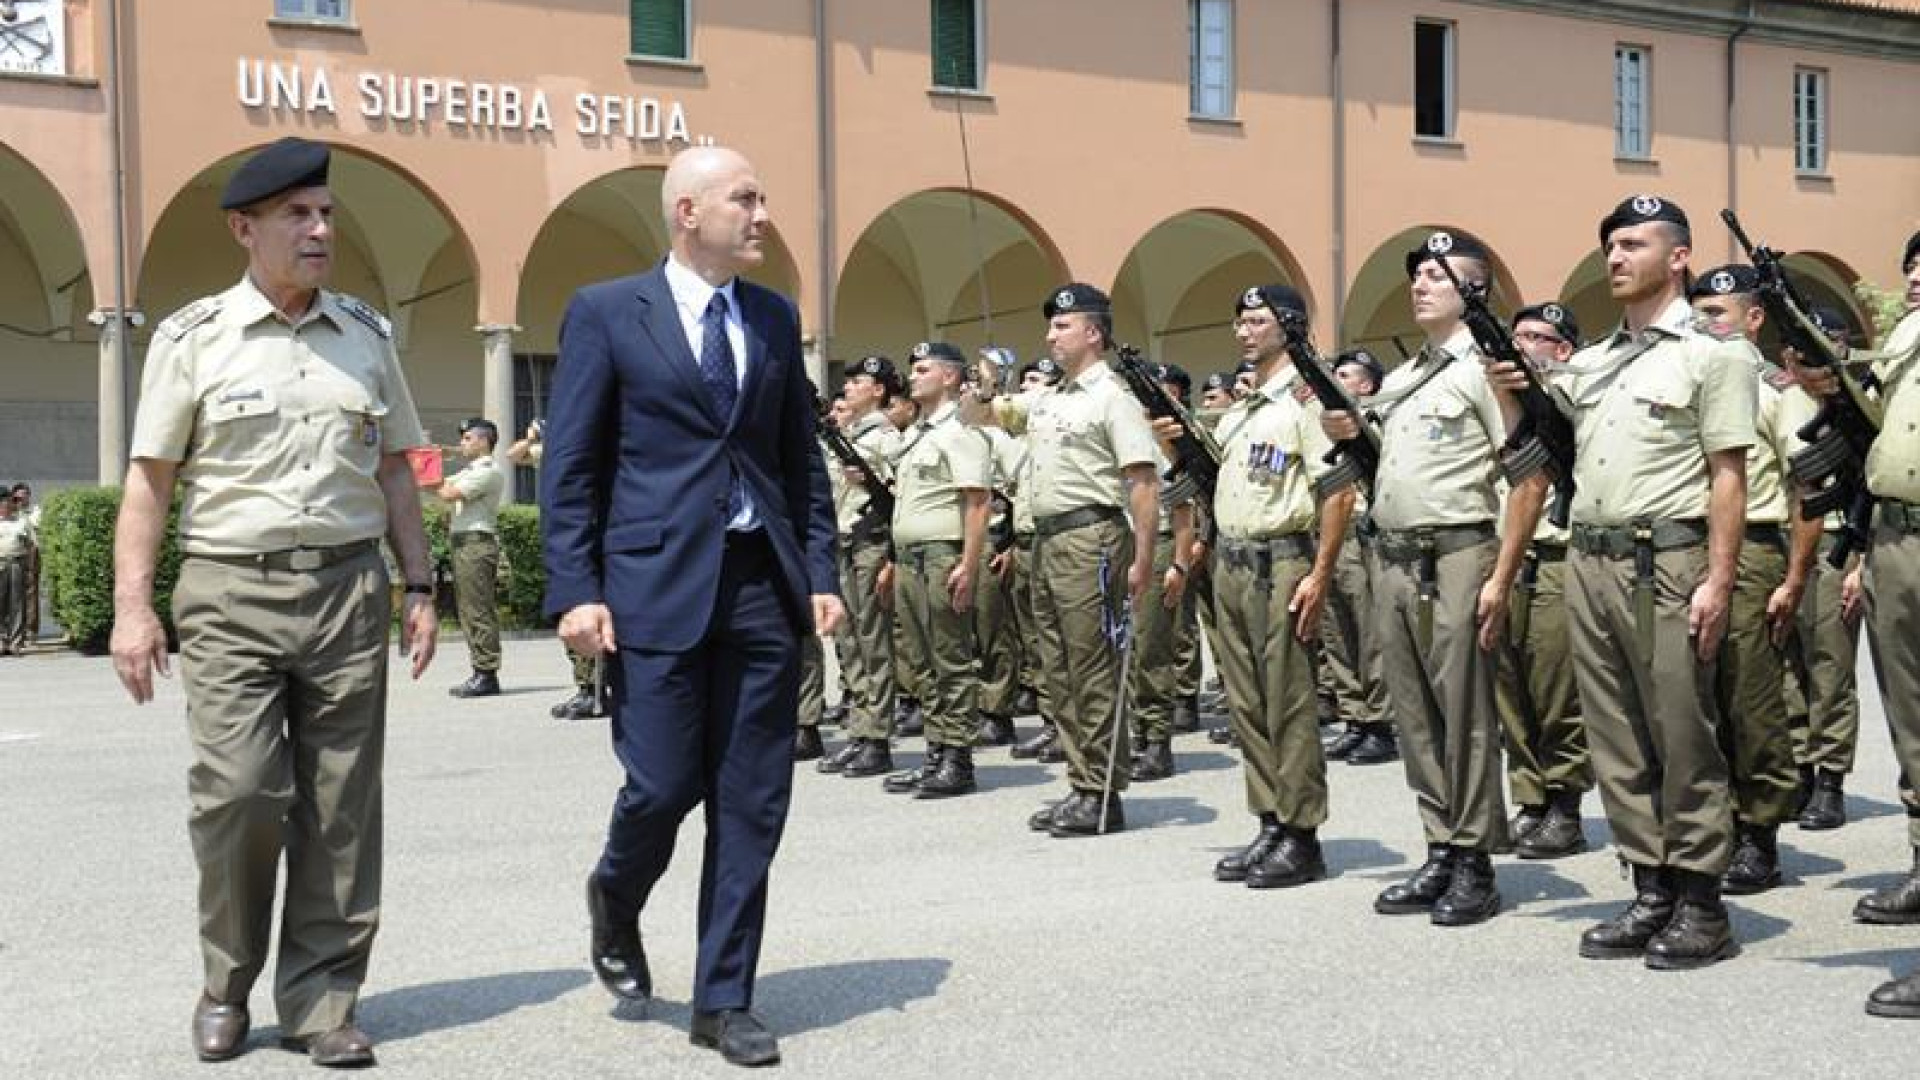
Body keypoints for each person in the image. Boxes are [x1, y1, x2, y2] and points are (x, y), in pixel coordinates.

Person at [107, 136, 438, 1067]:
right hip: (229, 590)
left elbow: (396, 469)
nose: (320, 228)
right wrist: (135, 609)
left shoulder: (366, 338)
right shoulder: (191, 338)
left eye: (326, 212)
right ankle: (226, 980)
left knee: (341, 806)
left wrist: (419, 584)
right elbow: (149, 484)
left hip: (345, 589)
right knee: (240, 794)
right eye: (297, 213)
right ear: (244, 227)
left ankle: (323, 1003)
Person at [541, 145, 841, 1067]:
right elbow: (574, 465)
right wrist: (577, 589)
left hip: (759, 584)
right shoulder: (605, 312)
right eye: (744, 198)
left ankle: (725, 999)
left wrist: (819, 569)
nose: (761, 214)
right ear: (687, 211)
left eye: (762, 197)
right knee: (664, 785)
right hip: (652, 588)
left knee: (752, 801)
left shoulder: (772, 316)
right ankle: (615, 897)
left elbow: (800, 461)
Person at [1489, 195, 1754, 970]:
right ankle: (1652, 887)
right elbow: (1537, 445)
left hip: (1665, 563)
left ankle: (1702, 903)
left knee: (1681, 731)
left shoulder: (1714, 352)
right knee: (1615, 736)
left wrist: (1719, 579)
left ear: (1678, 257)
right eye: (1609, 244)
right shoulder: (1595, 363)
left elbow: (1728, 474)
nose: (1615, 256)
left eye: (1634, 243)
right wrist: (1514, 388)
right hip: (1591, 559)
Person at [1324, 232, 1545, 927]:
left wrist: (1502, 576)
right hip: (1394, 555)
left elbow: (1527, 477)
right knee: (1415, 712)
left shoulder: (1487, 370)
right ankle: (1440, 844)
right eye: (1416, 276)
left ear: (1473, 292)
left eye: (1437, 277)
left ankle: (1475, 860)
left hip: (1457, 553)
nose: (1420, 285)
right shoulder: (1401, 379)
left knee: (1465, 714)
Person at [1787, 228, 1920, 1017]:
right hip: (1897, 537)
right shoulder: (1903, 339)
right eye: (1911, 263)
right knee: (1911, 734)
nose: (1914, 276)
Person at [1182, 284, 1351, 888]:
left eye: (1258, 320)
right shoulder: (1243, 408)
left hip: (1282, 561)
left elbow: (1338, 490)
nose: (1244, 330)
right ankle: (1271, 819)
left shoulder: (1306, 400)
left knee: (1287, 700)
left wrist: (1320, 572)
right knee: (1247, 701)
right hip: (1232, 560)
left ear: (1290, 327)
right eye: (1241, 320)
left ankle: (1302, 833)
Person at [976, 283, 1158, 836]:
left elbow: (1143, 484)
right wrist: (985, 378)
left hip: (1091, 539)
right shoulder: (1050, 397)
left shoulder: (1112, 397)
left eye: (1062, 327)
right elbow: (978, 414)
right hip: (1048, 541)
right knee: (1057, 670)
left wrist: (1144, 560)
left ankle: (1104, 790)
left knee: (1092, 667)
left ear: (1093, 333)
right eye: (1051, 327)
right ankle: (1081, 782)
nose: (1050, 336)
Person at [1689, 266, 1821, 894]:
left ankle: (1760, 832)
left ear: (1754, 318)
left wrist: (1794, 578)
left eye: (1716, 312)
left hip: (1753, 552)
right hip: (1690, 546)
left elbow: (1806, 490)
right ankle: (1710, 827)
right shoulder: (1695, 375)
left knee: (1750, 698)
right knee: (1696, 699)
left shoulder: (1774, 390)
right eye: (1698, 313)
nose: (1703, 323)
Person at [1492, 304, 1591, 860]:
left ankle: (1566, 806)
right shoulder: (1500, 404)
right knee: (1512, 690)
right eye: (1519, 333)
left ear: (1564, 350)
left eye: (1540, 337)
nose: (1525, 343)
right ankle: (1530, 800)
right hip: (1506, 558)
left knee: (1557, 691)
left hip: (1555, 557)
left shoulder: (1573, 399)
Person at [876, 341, 992, 797]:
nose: (913, 375)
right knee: (921, 663)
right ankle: (935, 751)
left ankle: (958, 758)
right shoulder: (915, 435)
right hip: (909, 558)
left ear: (949, 377)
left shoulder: (959, 432)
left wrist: (968, 564)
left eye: (923, 368)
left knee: (951, 659)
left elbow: (978, 504)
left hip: (942, 556)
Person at [1782, 307, 1865, 832]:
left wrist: (1865, 561)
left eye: (1828, 341)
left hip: (1837, 542)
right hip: (1783, 543)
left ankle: (1831, 779)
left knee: (1830, 668)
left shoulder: (1859, 399)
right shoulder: (1771, 394)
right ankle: (1801, 772)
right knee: (1789, 669)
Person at [817, 355, 905, 778]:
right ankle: (859, 728)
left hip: (871, 543)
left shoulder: (888, 438)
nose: (849, 387)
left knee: (872, 640)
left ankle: (878, 736)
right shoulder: (846, 435)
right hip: (845, 541)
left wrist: (891, 557)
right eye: (848, 381)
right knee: (849, 639)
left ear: (879, 391)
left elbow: (894, 499)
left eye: (859, 382)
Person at [1318, 350, 1397, 766]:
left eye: (1345, 375)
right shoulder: (1325, 425)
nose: (1336, 378)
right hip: (1335, 532)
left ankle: (1380, 723)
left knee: (1369, 631)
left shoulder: (1378, 422)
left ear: (1366, 386)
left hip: (1368, 531)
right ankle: (1353, 715)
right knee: (1337, 628)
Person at [508, 421, 607, 720]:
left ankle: (594, 690)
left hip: (593, 539)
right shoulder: (559, 453)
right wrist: (534, 435)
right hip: (570, 543)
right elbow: (515, 456)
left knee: (586, 614)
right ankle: (587, 687)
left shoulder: (595, 451)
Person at [440, 417, 507, 698]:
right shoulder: (472, 470)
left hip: (476, 545)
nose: (462, 444)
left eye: (467, 438)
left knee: (478, 610)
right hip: (465, 544)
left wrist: (427, 461)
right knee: (469, 610)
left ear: (483, 441)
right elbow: (440, 484)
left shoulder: (488, 471)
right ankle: (480, 670)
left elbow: (447, 492)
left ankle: (486, 673)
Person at [0, 492, 30, 655]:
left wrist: (29, 567)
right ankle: (1, 641)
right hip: (0, 563)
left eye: (8, 503)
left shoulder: (21, 522)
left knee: (17, 604)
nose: (5, 507)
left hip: (17, 563)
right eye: (3, 504)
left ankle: (16, 643)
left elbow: (31, 545)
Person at [10, 481, 40, 645]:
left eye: (24, 496)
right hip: (13, 552)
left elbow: (34, 525)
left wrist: (22, 512)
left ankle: (31, 631)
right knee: (12, 594)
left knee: (31, 593)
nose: (21, 500)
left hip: (31, 551)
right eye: (18, 497)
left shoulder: (35, 511)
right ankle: (14, 633)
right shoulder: (9, 512)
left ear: (29, 496)